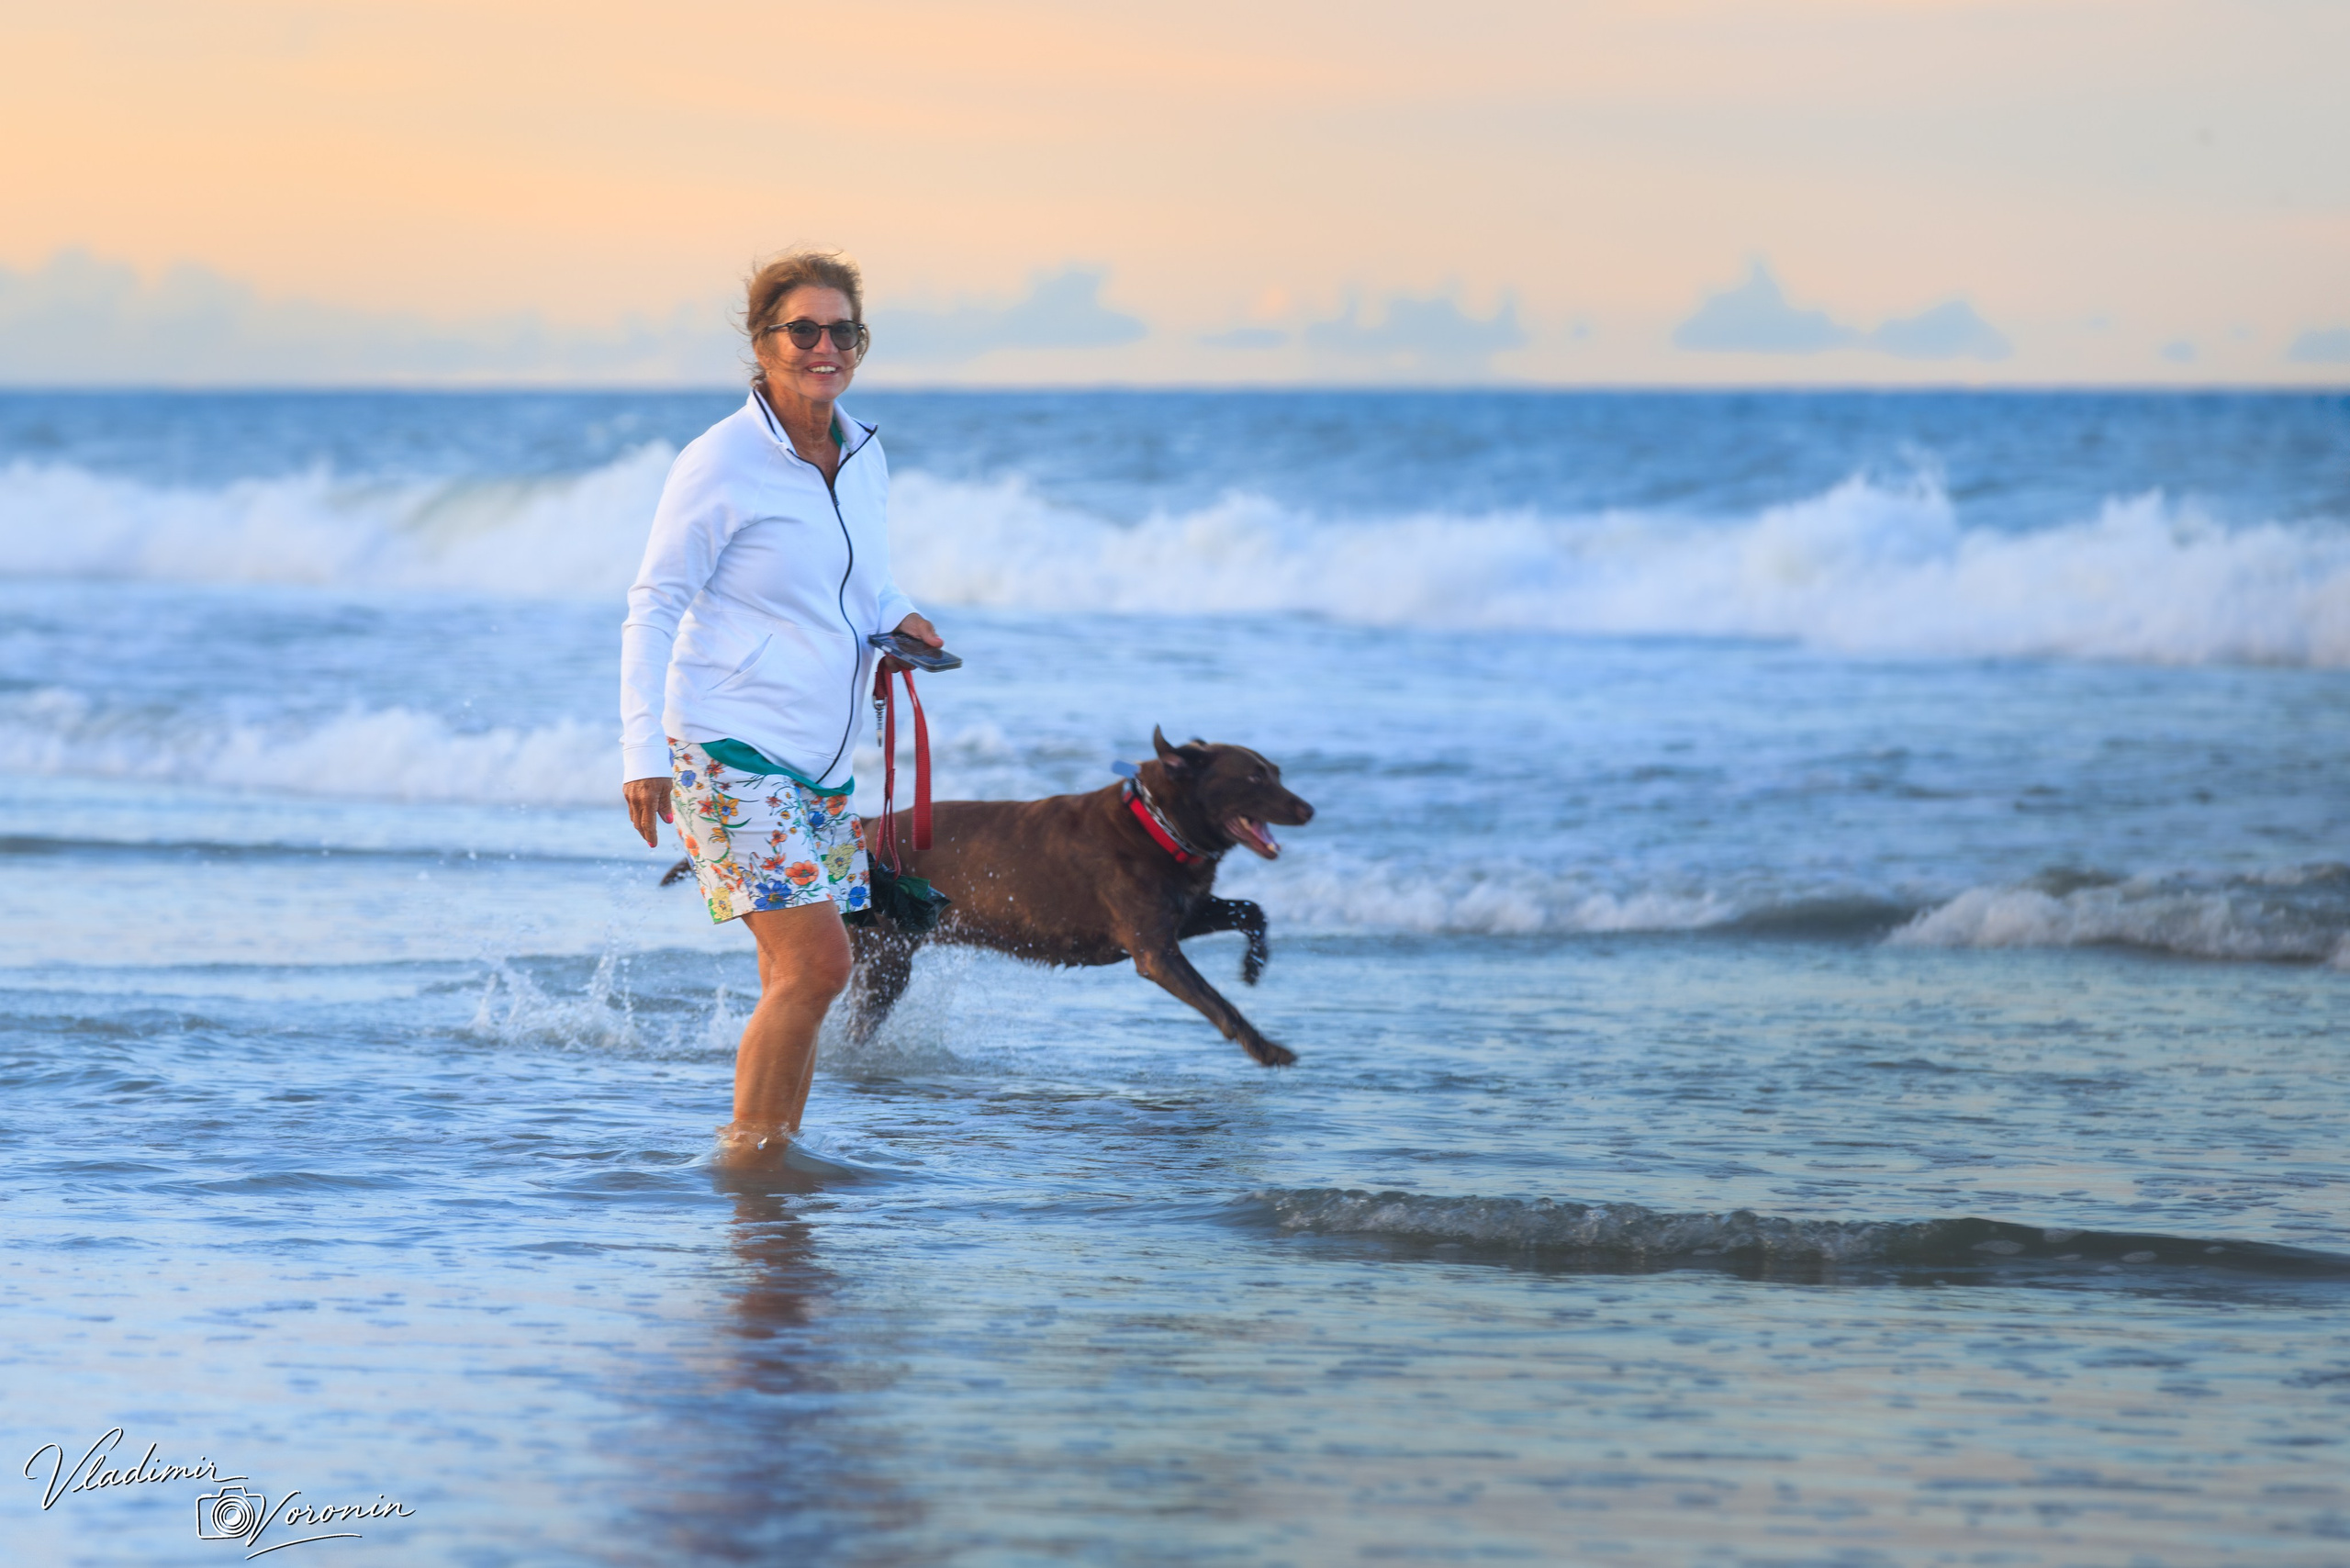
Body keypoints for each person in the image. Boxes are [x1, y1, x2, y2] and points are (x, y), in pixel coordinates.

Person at [620, 250, 942, 1169]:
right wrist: (642, 750)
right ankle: (749, 1162)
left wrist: (896, 616)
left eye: (842, 330)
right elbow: (655, 603)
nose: (824, 346)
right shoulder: (720, 461)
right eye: (803, 329)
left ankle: (773, 1160)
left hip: (824, 760)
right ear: (762, 344)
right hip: (727, 745)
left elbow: (862, 583)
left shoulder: (863, 452)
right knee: (818, 966)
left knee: (791, 976)